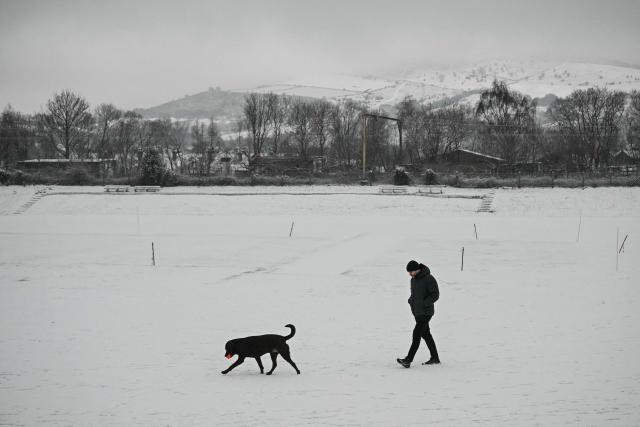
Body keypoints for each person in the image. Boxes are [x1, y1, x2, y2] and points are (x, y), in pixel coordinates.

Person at [397, 260, 440, 368]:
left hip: (426, 312)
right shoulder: (413, 280)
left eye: (411, 272)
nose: (409, 274)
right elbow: (414, 295)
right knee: (426, 335)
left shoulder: (429, 278)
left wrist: (424, 303)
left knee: (416, 334)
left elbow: (435, 294)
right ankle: (435, 358)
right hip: (418, 313)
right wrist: (411, 301)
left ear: (417, 270)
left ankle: (408, 360)